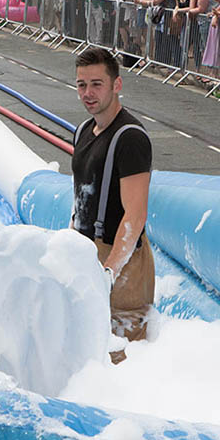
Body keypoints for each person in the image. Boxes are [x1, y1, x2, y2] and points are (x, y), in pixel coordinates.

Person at [72, 48, 154, 365]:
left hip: (121, 259)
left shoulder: (130, 137)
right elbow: (81, 197)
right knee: (88, 347)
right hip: (87, 250)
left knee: (122, 355)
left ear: (116, 85)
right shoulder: (83, 130)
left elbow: (135, 215)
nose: (88, 93)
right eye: (81, 85)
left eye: (96, 84)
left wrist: (110, 270)